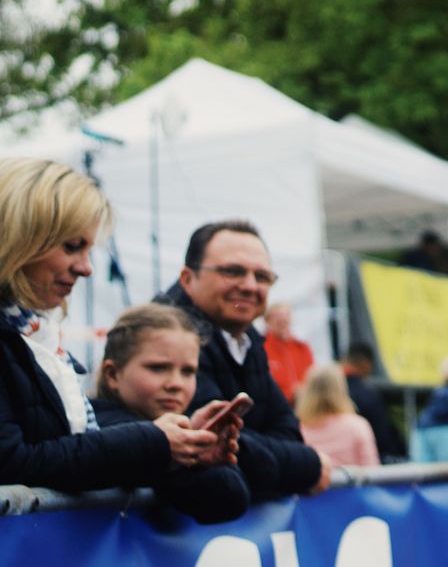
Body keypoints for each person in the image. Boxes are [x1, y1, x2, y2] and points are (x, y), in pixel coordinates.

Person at [0, 159, 224, 492]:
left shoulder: (37, 334)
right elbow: (14, 463)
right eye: (72, 247)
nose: (86, 268)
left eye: (89, 249)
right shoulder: (22, 339)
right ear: (20, 238)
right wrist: (154, 442)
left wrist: (182, 440)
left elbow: (70, 457)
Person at [159, 220, 332, 498]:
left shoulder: (247, 338)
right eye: (232, 271)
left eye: (262, 277)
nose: (250, 286)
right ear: (188, 279)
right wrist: (306, 465)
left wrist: (279, 459)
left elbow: (287, 431)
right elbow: (218, 445)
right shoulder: (164, 336)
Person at [93, 303, 250, 522]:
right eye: (158, 368)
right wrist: (174, 450)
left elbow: (231, 496)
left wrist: (194, 444)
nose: (176, 384)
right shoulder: (98, 424)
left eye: (188, 372)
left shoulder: (176, 423)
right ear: (113, 374)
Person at [297, 363, 381, 467]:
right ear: (341, 389)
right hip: (351, 482)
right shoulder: (358, 425)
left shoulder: (298, 428)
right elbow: (371, 468)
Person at [340, 342, 407, 461]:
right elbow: (383, 438)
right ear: (366, 365)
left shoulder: (333, 392)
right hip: (366, 465)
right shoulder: (369, 396)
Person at [262, 302, 314, 400]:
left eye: (285, 318)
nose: (283, 321)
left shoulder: (302, 347)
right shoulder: (261, 348)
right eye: (277, 318)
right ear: (267, 321)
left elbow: (311, 377)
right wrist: (290, 393)